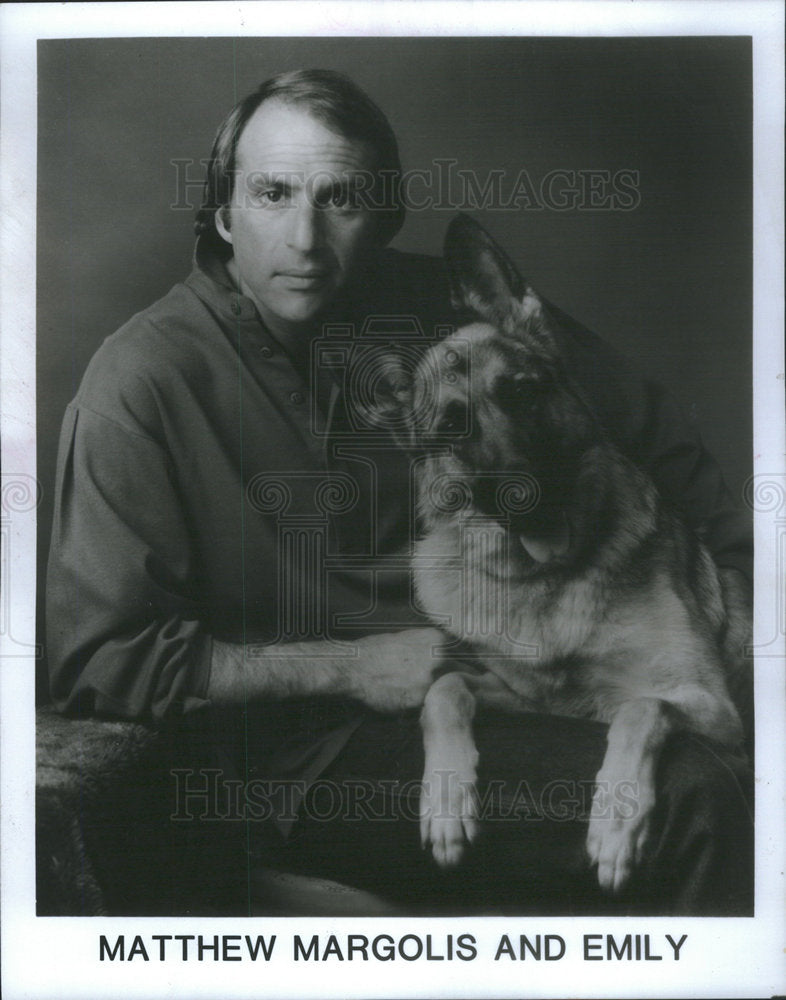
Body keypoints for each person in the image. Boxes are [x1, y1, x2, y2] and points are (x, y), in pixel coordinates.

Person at [46, 69, 753, 915]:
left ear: (381, 217)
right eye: (272, 194)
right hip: (305, 759)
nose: (305, 238)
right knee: (694, 800)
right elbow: (103, 662)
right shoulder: (139, 384)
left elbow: (655, 439)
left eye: (341, 199)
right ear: (223, 212)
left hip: (511, 687)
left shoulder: (446, 307)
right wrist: (351, 664)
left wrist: (753, 614)